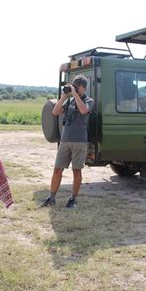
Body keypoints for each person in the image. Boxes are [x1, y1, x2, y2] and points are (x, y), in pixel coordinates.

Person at [40, 75, 94, 208]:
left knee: (77, 171)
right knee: (57, 169)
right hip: (65, 140)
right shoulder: (69, 101)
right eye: (73, 86)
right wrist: (64, 96)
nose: (74, 88)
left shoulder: (88, 100)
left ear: (83, 88)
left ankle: (73, 199)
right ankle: (51, 198)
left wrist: (75, 94)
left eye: (77, 87)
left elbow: (83, 110)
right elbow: (55, 111)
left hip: (79, 141)